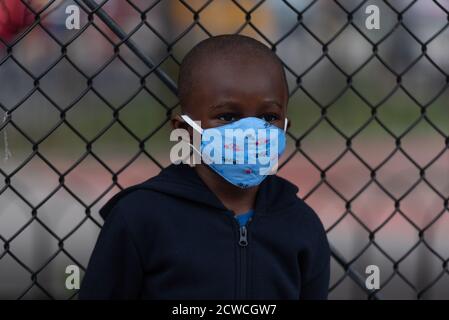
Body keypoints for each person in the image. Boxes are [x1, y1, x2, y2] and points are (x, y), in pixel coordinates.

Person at [79, 34, 330, 300]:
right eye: (227, 116)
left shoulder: (302, 226)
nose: (250, 131)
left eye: (269, 117)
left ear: (285, 127)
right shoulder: (139, 220)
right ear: (185, 130)